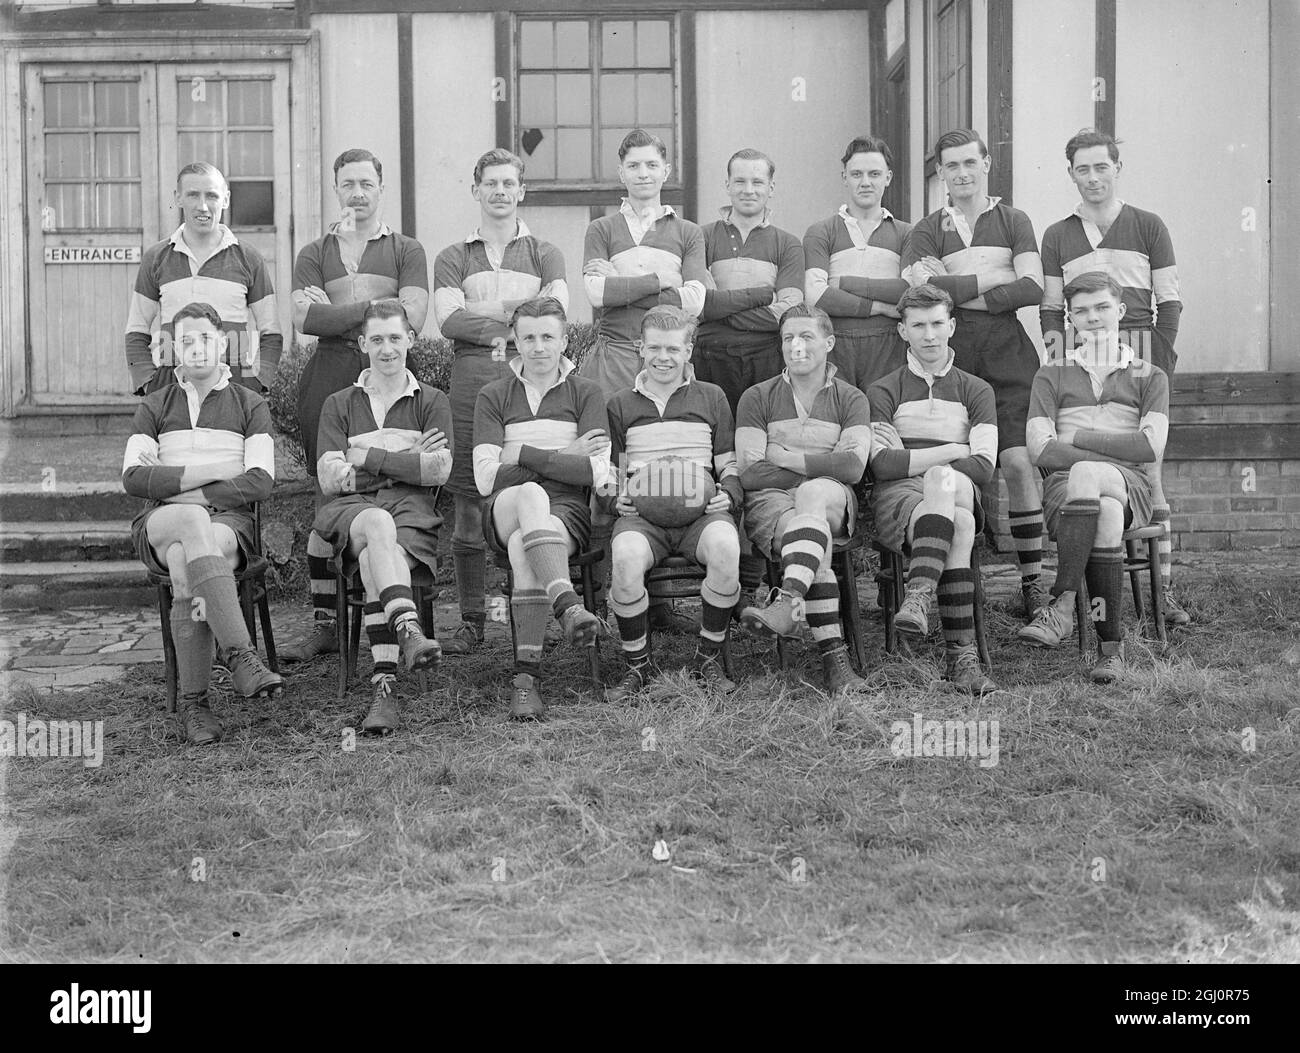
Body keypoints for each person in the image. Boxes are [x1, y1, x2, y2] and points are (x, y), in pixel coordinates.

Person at [282, 148, 431, 664]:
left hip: (386, 374)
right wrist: (371, 311)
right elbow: (306, 319)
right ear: (336, 189)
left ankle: (386, 590)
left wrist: (340, 312)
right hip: (327, 375)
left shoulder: (405, 249)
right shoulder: (313, 251)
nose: (358, 193)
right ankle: (325, 622)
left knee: (387, 481)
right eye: (348, 184)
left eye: (367, 183)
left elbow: (411, 314)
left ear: (381, 187)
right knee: (329, 491)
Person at [1040, 128, 1187, 625]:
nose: (1093, 176)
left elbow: (1169, 301)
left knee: (1151, 476)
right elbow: (1052, 306)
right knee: (1104, 476)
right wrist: (1066, 362)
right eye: (1083, 168)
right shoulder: (1058, 234)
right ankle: (1091, 601)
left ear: (1117, 168)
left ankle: (1163, 595)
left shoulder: (1148, 224)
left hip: (1140, 353)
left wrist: (1157, 361)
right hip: (1083, 355)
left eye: (1102, 166)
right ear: (1071, 174)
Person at [901, 128, 1047, 623]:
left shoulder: (1013, 219)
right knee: (964, 468)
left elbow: (1031, 286)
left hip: (1009, 357)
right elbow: (922, 296)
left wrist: (954, 287)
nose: (961, 173)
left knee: (1019, 463)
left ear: (986, 163)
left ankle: (1032, 582)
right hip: (953, 360)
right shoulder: (925, 230)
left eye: (970, 163)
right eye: (950, 166)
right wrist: (993, 279)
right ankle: (968, 581)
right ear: (939, 172)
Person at [122, 302, 284, 744]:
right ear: (174, 348)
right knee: (189, 523)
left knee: (184, 560)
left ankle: (196, 706)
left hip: (227, 525)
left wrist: (174, 484)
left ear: (224, 343)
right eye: (186, 341)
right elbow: (134, 478)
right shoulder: (155, 405)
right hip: (160, 520)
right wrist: (215, 473)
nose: (196, 349)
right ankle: (241, 657)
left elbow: (262, 480)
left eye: (205, 339)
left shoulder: (250, 404)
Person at [433, 148, 568, 657]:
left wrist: (485, 313)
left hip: (529, 388)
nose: (500, 192)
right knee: (469, 504)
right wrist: (518, 316)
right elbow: (449, 321)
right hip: (470, 387)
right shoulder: (453, 256)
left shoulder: (545, 252)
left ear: (521, 191)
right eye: (490, 183)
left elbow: (553, 312)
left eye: (509, 183)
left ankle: (525, 614)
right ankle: (472, 620)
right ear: (476, 190)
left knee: (529, 496)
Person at [580, 128, 712, 629]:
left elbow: (697, 299)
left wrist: (623, 288)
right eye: (633, 166)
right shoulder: (602, 227)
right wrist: (661, 281)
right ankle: (611, 601)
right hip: (614, 359)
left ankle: (658, 603)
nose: (642, 175)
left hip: (667, 358)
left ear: (665, 171)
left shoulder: (687, 231)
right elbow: (594, 293)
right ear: (621, 172)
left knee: (663, 462)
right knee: (611, 471)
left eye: (651, 166)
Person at [1020, 272, 1170, 683]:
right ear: (1071, 319)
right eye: (1081, 311)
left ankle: (1062, 602)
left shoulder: (1150, 375)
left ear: (1120, 311)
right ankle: (1110, 651)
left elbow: (1149, 448)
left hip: (1130, 487)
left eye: (1102, 307)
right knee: (1102, 510)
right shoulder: (1050, 374)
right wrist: (1116, 445)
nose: (1093, 318)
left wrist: (1080, 437)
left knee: (1089, 474)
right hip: (1065, 491)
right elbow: (1040, 450)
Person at [313, 300, 451, 735]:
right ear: (362, 344)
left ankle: (384, 687)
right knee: (376, 525)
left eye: (395, 338)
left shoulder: (432, 400)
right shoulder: (339, 403)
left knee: (378, 556)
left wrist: (368, 456)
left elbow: (438, 470)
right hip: (351, 514)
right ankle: (408, 627)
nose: (387, 349)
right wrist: (407, 457)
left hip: (412, 515)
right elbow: (331, 478)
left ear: (411, 339)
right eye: (377, 340)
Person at [473, 298, 608, 719]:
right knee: (531, 497)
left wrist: (522, 456)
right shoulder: (494, 394)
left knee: (522, 547)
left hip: (566, 512)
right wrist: (563, 455)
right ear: (515, 340)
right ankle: (568, 605)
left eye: (548, 336)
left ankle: (525, 681)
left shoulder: (586, 392)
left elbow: (597, 472)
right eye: (528, 337)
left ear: (565, 340)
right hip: (505, 507)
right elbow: (484, 478)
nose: (538, 347)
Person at [603, 306, 743, 701]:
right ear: (639, 349)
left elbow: (729, 464)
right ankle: (638, 668)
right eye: (654, 348)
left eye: (673, 349)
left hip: (700, 512)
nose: (663, 357)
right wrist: (617, 498)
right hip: (644, 518)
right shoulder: (619, 404)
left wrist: (727, 493)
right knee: (626, 557)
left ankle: (707, 659)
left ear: (689, 350)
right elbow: (614, 469)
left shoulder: (712, 397)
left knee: (725, 548)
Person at [866, 285, 999, 695]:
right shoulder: (883, 390)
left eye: (937, 323)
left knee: (946, 482)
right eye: (918, 325)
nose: (929, 335)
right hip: (900, 496)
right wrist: (954, 448)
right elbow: (882, 465)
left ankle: (919, 592)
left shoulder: (976, 390)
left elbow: (985, 467)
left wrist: (914, 454)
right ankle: (963, 659)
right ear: (902, 331)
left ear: (952, 326)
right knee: (957, 523)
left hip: (955, 486)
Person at [734, 304, 872, 696]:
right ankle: (836, 663)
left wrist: (786, 458)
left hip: (832, 498)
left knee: (813, 495)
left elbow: (853, 469)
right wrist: (823, 464)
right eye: (788, 338)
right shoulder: (757, 397)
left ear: (828, 342)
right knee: (812, 539)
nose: (796, 346)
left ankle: (790, 601)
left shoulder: (851, 398)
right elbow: (750, 473)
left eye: (806, 336)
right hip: (772, 506)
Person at [125, 162, 281, 395]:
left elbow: (271, 332)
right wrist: (150, 384)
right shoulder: (157, 258)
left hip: (234, 385)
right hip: (174, 385)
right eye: (192, 195)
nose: (203, 206)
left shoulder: (248, 258)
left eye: (211, 196)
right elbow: (136, 330)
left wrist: (256, 383)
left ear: (225, 199)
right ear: (178, 198)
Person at [803, 136, 911, 396]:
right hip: (836, 345)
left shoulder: (907, 233)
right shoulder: (821, 232)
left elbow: (908, 291)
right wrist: (881, 307)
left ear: (888, 177)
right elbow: (816, 294)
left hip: (889, 346)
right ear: (844, 177)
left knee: (882, 421)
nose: (865, 182)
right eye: (856, 174)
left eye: (874, 174)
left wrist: (845, 285)